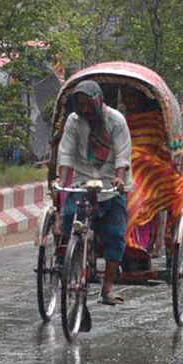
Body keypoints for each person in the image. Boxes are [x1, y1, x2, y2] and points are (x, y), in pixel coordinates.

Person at [57, 80, 132, 306]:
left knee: (115, 234)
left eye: (88, 103)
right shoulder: (73, 121)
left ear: (98, 101)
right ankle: (72, 261)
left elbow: (122, 154)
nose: (85, 109)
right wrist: (61, 180)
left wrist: (119, 177)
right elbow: (66, 153)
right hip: (82, 178)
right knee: (70, 217)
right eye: (80, 104)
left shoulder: (117, 121)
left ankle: (106, 289)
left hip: (111, 181)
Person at [121, 87, 183, 272]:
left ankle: (137, 244)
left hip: (149, 170)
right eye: (126, 96)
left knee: (135, 191)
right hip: (121, 166)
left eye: (132, 95)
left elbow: (161, 147)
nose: (129, 100)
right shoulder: (120, 121)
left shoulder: (155, 120)